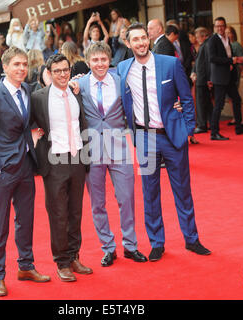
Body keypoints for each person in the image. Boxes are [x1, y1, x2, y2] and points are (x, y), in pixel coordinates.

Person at [117, 23, 211, 261]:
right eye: (135, 40)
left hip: (172, 137)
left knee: (182, 190)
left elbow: (187, 98)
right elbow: (98, 77)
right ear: (128, 44)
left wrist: (187, 128)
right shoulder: (122, 69)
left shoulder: (170, 64)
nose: (140, 43)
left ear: (148, 38)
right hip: (145, 138)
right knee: (150, 193)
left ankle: (192, 239)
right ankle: (157, 242)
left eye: (143, 38)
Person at [0, 46, 50, 297]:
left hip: (26, 166)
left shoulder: (28, 90)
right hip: (3, 171)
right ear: (5, 67)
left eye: (24, 64)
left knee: (26, 221)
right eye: (16, 65)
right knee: (0, 226)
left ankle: (26, 266)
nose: (21, 68)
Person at [77, 41, 147, 267]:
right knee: (97, 203)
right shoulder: (79, 85)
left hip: (119, 147)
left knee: (126, 198)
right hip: (91, 149)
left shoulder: (121, 82)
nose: (100, 64)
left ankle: (130, 245)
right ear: (88, 62)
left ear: (110, 61)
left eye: (103, 59)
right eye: (95, 60)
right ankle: (108, 247)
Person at [30, 53, 92, 282]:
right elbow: (26, 124)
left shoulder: (76, 94)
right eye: (57, 71)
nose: (63, 74)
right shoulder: (38, 98)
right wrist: (36, 138)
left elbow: (82, 123)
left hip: (77, 158)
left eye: (66, 70)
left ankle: (74, 256)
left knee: (76, 211)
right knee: (58, 214)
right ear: (49, 73)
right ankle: (62, 262)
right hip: (54, 161)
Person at [207, 17, 243, 140]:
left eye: (221, 26)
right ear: (214, 27)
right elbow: (212, 58)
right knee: (219, 105)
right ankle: (214, 133)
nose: (220, 28)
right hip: (219, 77)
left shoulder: (227, 38)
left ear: (225, 26)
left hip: (229, 76)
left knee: (237, 100)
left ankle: (239, 127)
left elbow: (228, 54)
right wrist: (231, 60)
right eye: (217, 26)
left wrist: (235, 60)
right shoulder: (212, 40)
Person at [191, 27, 213, 134]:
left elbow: (208, 64)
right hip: (201, 78)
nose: (197, 39)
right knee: (206, 103)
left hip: (203, 79)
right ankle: (210, 123)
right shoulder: (204, 45)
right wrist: (194, 72)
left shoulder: (207, 45)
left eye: (198, 37)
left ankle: (202, 125)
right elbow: (198, 62)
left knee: (201, 103)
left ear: (204, 36)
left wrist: (209, 79)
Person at [225, 26, 243, 126]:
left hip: (234, 73)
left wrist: (236, 68)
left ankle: (242, 118)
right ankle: (235, 117)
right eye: (226, 33)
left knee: (235, 97)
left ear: (233, 34)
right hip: (228, 74)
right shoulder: (226, 45)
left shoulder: (236, 45)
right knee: (230, 98)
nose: (228, 35)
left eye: (229, 32)